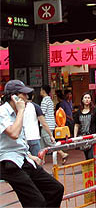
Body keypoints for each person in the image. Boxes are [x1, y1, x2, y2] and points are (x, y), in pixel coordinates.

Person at [0, 80, 64, 208]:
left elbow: (20, 142)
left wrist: (29, 155)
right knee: (36, 202)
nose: (27, 98)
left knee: (56, 189)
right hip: (7, 161)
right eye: (24, 95)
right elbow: (14, 133)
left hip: (23, 159)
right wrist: (21, 111)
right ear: (14, 96)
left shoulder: (19, 112)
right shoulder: (3, 112)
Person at [40, 85, 69, 164]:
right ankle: (42, 160)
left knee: (49, 141)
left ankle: (62, 153)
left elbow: (42, 113)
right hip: (50, 124)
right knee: (42, 142)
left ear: (43, 91)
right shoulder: (50, 100)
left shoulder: (45, 101)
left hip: (46, 124)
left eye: (41, 90)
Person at [23, 92, 55, 156]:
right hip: (33, 137)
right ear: (32, 96)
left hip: (23, 138)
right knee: (37, 160)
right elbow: (44, 123)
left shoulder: (17, 107)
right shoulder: (35, 106)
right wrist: (51, 135)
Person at [74, 92, 96, 160]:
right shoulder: (78, 112)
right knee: (87, 157)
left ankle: (93, 170)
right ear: (82, 100)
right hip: (83, 138)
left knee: (91, 156)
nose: (87, 99)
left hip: (92, 136)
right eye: (85, 98)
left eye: (88, 98)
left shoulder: (95, 111)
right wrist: (75, 137)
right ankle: (89, 170)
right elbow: (76, 125)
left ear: (91, 100)